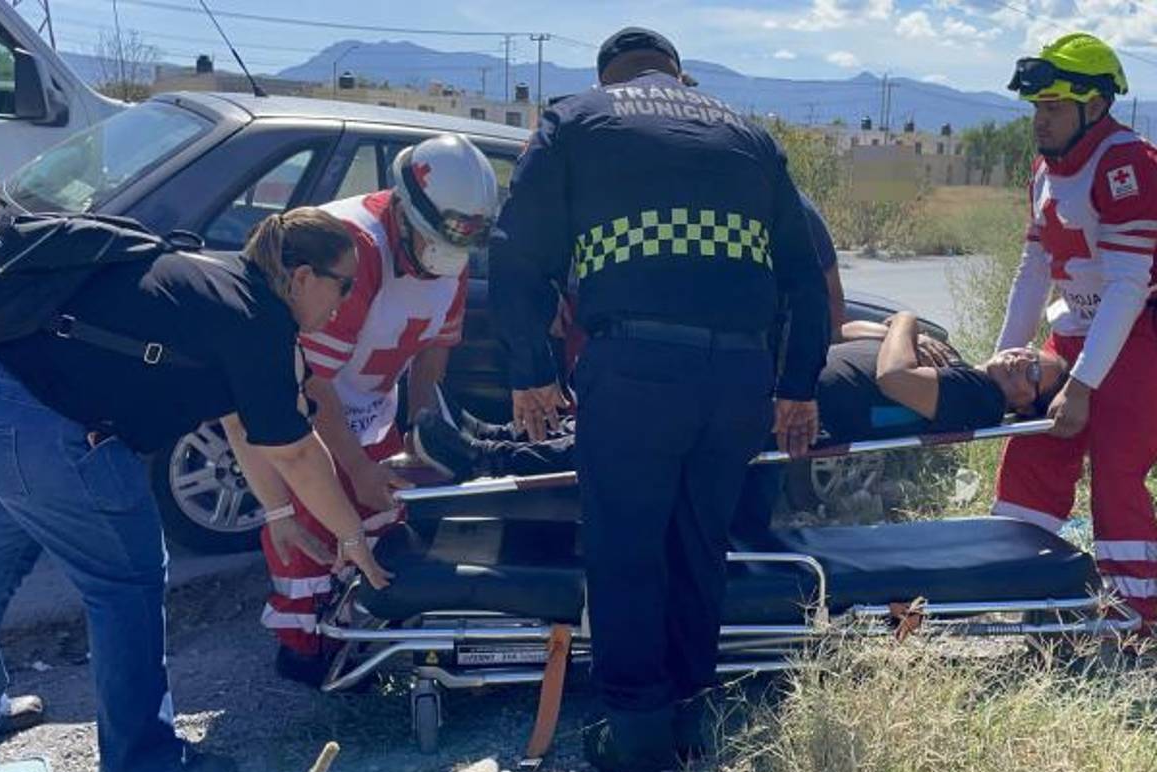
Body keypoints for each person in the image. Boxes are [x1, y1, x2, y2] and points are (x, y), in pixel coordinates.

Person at [489, 27, 829, 772]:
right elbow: (804, 276)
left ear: (609, 75)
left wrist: (532, 369)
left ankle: (640, 738)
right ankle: (689, 717)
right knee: (698, 544)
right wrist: (798, 385)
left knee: (626, 546)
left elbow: (515, 252)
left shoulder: (577, 119)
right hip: (738, 375)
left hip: (636, 367)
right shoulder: (748, 133)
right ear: (680, 74)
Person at [0, 208, 390, 772]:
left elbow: (241, 421)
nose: (345, 302)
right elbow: (297, 452)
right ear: (302, 275)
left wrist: (280, 516)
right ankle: (143, 769)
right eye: (345, 284)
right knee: (127, 579)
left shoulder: (216, 281)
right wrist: (354, 537)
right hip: (33, 415)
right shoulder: (258, 321)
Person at [259, 134, 499, 687]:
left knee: (378, 528)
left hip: (373, 409)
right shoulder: (352, 248)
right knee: (315, 534)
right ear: (404, 209)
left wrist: (419, 428)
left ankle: (358, 631)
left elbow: (436, 343)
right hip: (313, 423)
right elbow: (314, 382)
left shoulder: (446, 248)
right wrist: (358, 466)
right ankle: (303, 654)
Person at [415, 311, 1066, 481]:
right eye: (1026, 351)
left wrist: (907, 322)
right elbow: (851, 333)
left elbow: (894, 380)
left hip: (779, 417)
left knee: (631, 444)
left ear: (1024, 404)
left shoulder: (976, 400)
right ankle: (491, 440)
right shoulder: (955, 364)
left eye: (1031, 371)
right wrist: (908, 331)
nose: (1018, 357)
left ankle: (482, 462)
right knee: (626, 426)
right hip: (767, 391)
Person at [989, 33, 1157, 627]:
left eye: (1053, 108)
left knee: (1116, 474)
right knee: (1033, 450)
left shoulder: (1127, 161)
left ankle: (1135, 617)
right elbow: (1034, 269)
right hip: (1077, 332)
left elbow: (1127, 287)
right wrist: (1003, 356)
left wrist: (1082, 385)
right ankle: (1019, 587)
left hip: (1137, 338)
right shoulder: (1045, 169)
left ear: (1095, 105)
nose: (1040, 121)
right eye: (1037, 108)